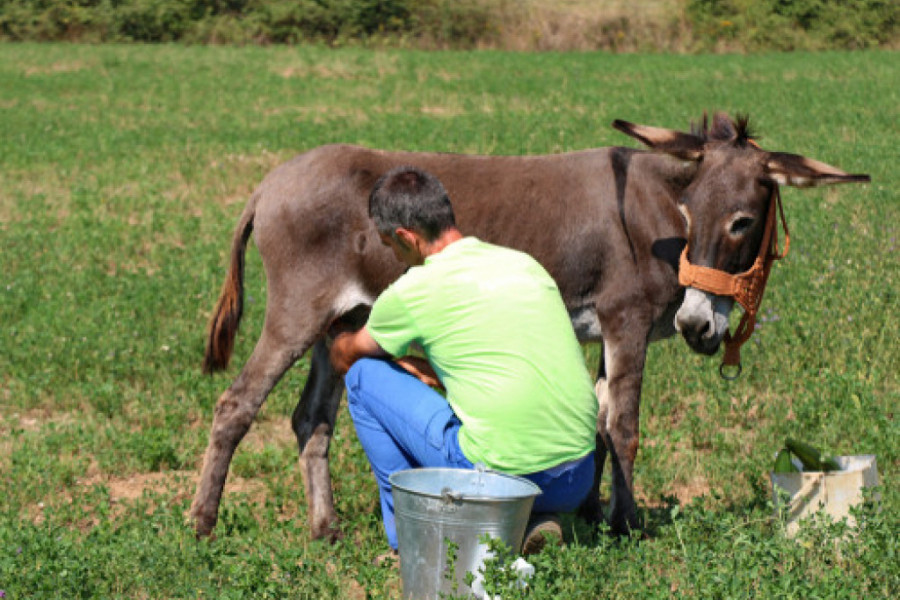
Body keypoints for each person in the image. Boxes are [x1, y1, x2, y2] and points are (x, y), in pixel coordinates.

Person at [330, 166, 598, 557]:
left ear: (405, 237)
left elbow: (347, 358)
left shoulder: (413, 290)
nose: (393, 255)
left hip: (498, 478)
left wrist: (337, 332)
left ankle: (409, 539)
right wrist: (431, 368)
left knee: (363, 378)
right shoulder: (523, 263)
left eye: (390, 245)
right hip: (577, 476)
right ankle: (531, 520)